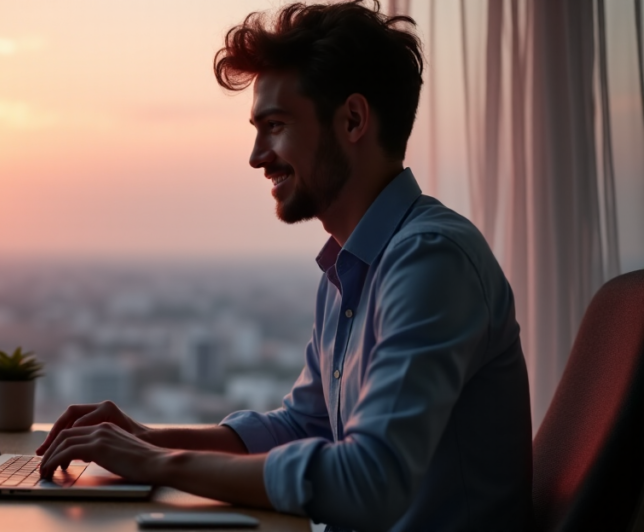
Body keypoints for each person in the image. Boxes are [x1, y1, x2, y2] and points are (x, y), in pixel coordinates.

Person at [37, 2, 532, 530]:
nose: (256, 155)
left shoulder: (431, 262)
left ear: (353, 120)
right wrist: (146, 437)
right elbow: (305, 424)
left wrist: (159, 464)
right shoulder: (352, 266)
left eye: (275, 125)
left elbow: (370, 481)